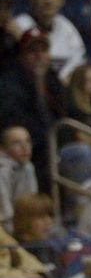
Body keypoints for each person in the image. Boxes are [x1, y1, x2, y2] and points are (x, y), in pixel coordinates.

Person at [0, 28, 66, 194]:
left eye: (43, 50)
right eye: (32, 50)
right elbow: (17, 123)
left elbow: (68, 112)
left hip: (57, 143)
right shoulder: (10, 83)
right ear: (22, 55)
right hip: (33, 148)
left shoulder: (51, 78)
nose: (39, 56)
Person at [14, 0, 86, 84]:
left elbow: (78, 64)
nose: (49, 1)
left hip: (60, 92)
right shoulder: (19, 26)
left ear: (62, 0)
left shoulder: (67, 28)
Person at [0, 126, 38, 235]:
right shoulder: (2, 171)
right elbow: (4, 215)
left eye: (28, 141)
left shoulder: (28, 167)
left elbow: (32, 203)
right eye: (17, 143)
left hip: (20, 226)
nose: (25, 147)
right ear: (2, 148)